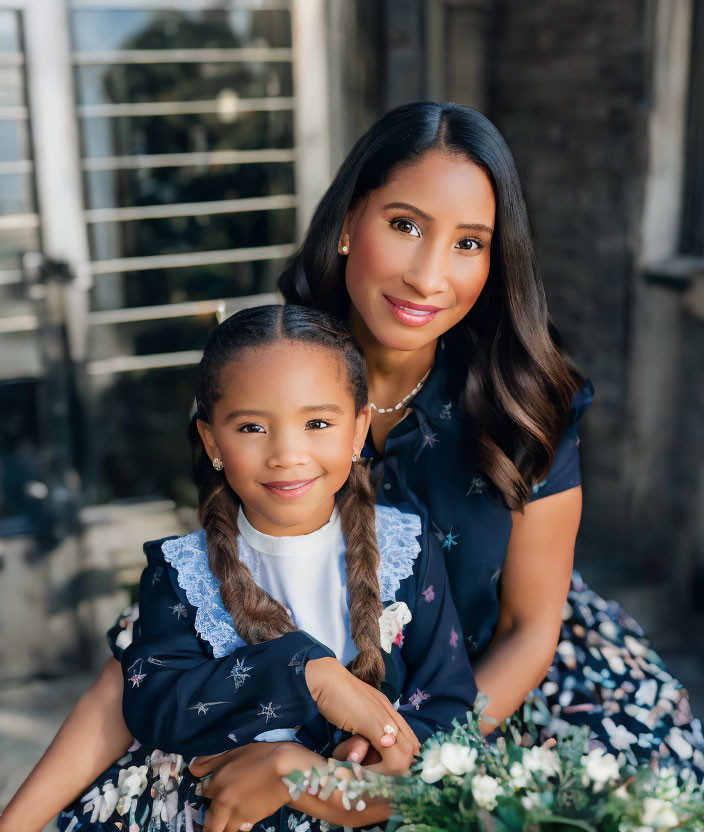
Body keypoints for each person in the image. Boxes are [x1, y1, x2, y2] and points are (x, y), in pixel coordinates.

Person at [2, 100, 702, 832]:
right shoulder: (278, 368)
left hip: (490, 680)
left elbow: (530, 626)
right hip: (298, 674)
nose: (430, 277)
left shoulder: (525, 398)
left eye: (470, 244)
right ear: (346, 224)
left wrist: (369, 769)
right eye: (405, 226)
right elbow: (221, 590)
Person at [58, 303, 477, 832]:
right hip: (217, 810)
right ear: (212, 442)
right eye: (253, 427)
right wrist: (305, 674)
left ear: (357, 430)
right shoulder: (182, 570)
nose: (286, 453)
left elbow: (449, 698)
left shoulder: (408, 548)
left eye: (318, 423)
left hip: (365, 802)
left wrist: (382, 743)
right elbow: (155, 704)